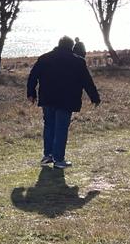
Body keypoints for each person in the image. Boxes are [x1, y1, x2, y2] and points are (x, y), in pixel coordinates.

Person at [27, 35, 101, 170]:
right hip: (67, 99)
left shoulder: (44, 58)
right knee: (61, 128)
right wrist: (94, 97)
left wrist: (31, 93)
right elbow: (87, 81)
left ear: (59, 44)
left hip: (47, 98)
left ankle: (48, 154)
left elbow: (32, 76)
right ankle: (59, 159)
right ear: (71, 46)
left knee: (49, 126)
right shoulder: (78, 62)